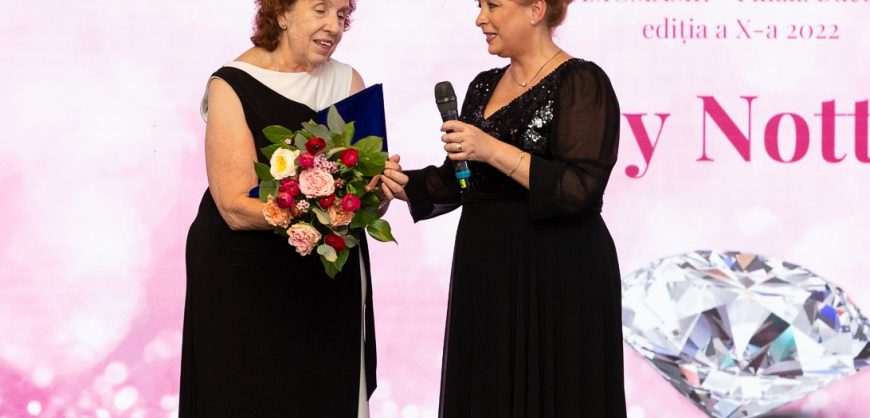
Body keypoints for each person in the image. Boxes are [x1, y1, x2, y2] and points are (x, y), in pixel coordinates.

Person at [379, 0, 627, 416]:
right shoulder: (482, 86)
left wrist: (491, 149)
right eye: (479, 6)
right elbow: (461, 180)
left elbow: (578, 189)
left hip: (558, 273)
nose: (480, 18)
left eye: (492, 5)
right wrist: (399, 182)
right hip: (488, 272)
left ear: (535, 9)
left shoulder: (582, 81)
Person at [179, 1, 379, 416]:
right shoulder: (230, 84)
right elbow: (234, 207)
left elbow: (363, 204)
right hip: (243, 278)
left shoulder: (349, 81)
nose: (334, 26)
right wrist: (315, 209)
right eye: (321, 10)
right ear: (282, 13)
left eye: (342, 15)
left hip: (328, 278)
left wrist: (380, 194)